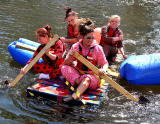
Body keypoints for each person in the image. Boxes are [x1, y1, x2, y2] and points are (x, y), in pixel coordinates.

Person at [61, 21, 108, 100]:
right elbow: (66, 63)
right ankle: (80, 85)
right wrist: (70, 57)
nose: (91, 40)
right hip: (78, 74)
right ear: (82, 37)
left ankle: (74, 96)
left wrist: (103, 69)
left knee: (87, 79)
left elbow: (105, 63)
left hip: (91, 76)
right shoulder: (75, 47)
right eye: (88, 38)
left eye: (92, 37)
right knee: (64, 68)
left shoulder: (97, 48)